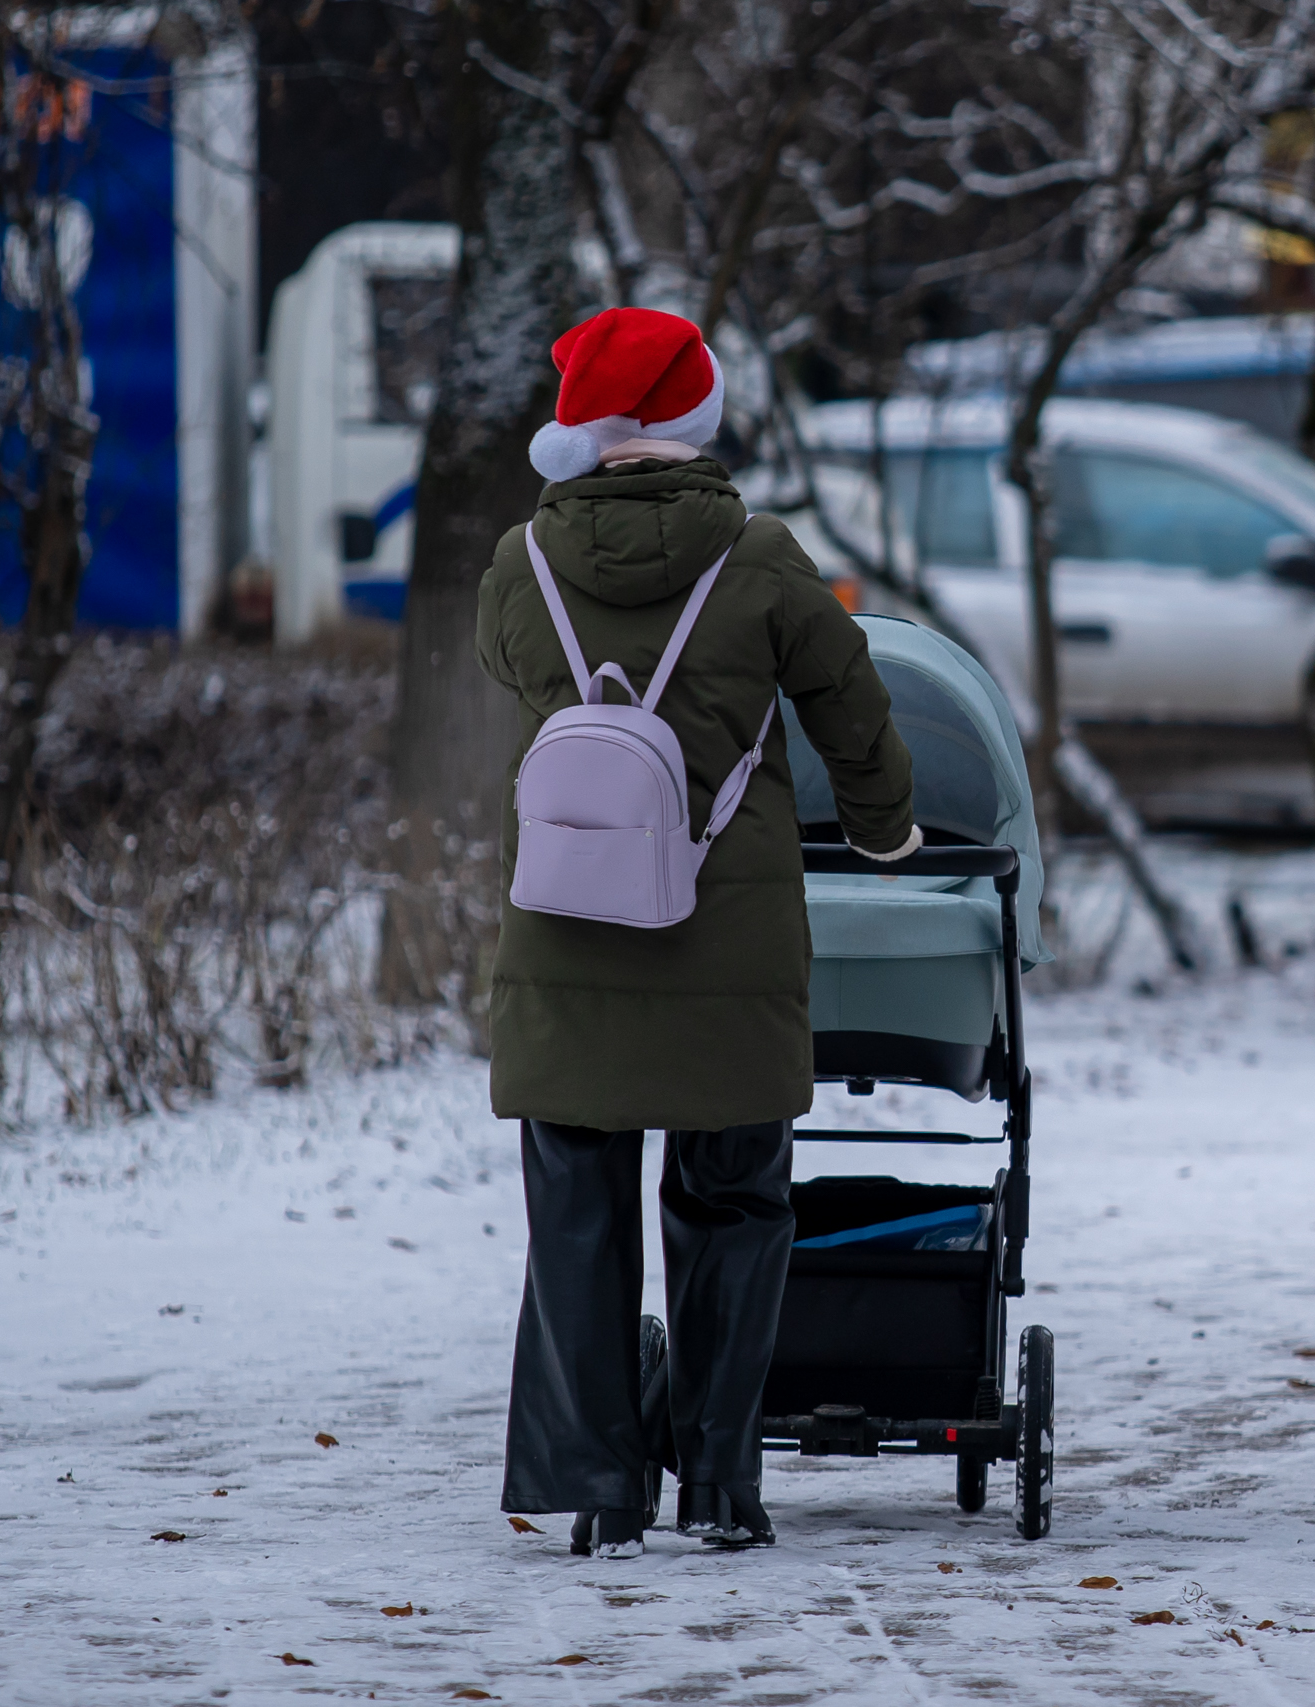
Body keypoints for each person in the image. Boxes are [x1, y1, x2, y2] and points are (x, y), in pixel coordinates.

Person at [476, 307, 920, 1559]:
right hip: (726, 946)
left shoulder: (521, 564)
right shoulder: (762, 557)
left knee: (577, 1205)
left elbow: (508, 670)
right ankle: (722, 1482)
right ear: (695, 419)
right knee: (732, 1199)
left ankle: (603, 1488)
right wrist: (885, 831)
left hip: (566, 931)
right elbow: (853, 704)